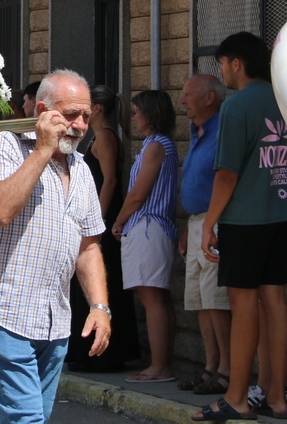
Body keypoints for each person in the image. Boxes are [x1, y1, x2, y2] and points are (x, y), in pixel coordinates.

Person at [0, 70, 111, 424]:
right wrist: (43, 149)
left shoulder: (81, 169)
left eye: (86, 116)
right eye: (70, 115)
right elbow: (1, 209)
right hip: (1, 312)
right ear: (42, 110)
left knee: (34, 419)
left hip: (54, 322)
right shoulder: (4, 145)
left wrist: (100, 306)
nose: (80, 125)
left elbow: (88, 246)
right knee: (26, 419)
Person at [193, 32, 287, 422]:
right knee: (275, 300)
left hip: (245, 220)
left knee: (244, 306)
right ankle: (278, 396)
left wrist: (209, 223)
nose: (222, 72)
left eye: (222, 64)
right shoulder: (285, 101)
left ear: (236, 63)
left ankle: (238, 398)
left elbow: (227, 174)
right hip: (283, 214)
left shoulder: (237, 105)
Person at [67, 86, 140, 372]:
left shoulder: (106, 136)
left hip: (103, 221)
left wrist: (95, 219)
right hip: (100, 218)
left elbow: (110, 180)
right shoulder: (100, 135)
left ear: (96, 108)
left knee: (100, 284)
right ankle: (85, 353)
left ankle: (104, 356)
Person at [113, 90, 179, 383]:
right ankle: (162, 364)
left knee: (152, 298)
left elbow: (138, 194)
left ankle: (159, 366)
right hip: (153, 228)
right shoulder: (158, 144)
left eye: (137, 112)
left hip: (149, 226)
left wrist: (118, 221)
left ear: (151, 114)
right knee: (157, 297)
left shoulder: (156, 146)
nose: (134, 117)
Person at [177, 75, 230, 396]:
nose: (182, 100)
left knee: (216, 300)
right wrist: (188, 226)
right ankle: (211, 366)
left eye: (188, 94)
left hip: (216, 223)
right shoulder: (197, 131)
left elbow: (225, 180)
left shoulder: (222, 131)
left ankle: (227, 370)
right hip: (197, 221)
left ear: (209, 98)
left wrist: (208, 224)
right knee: (200, 300)